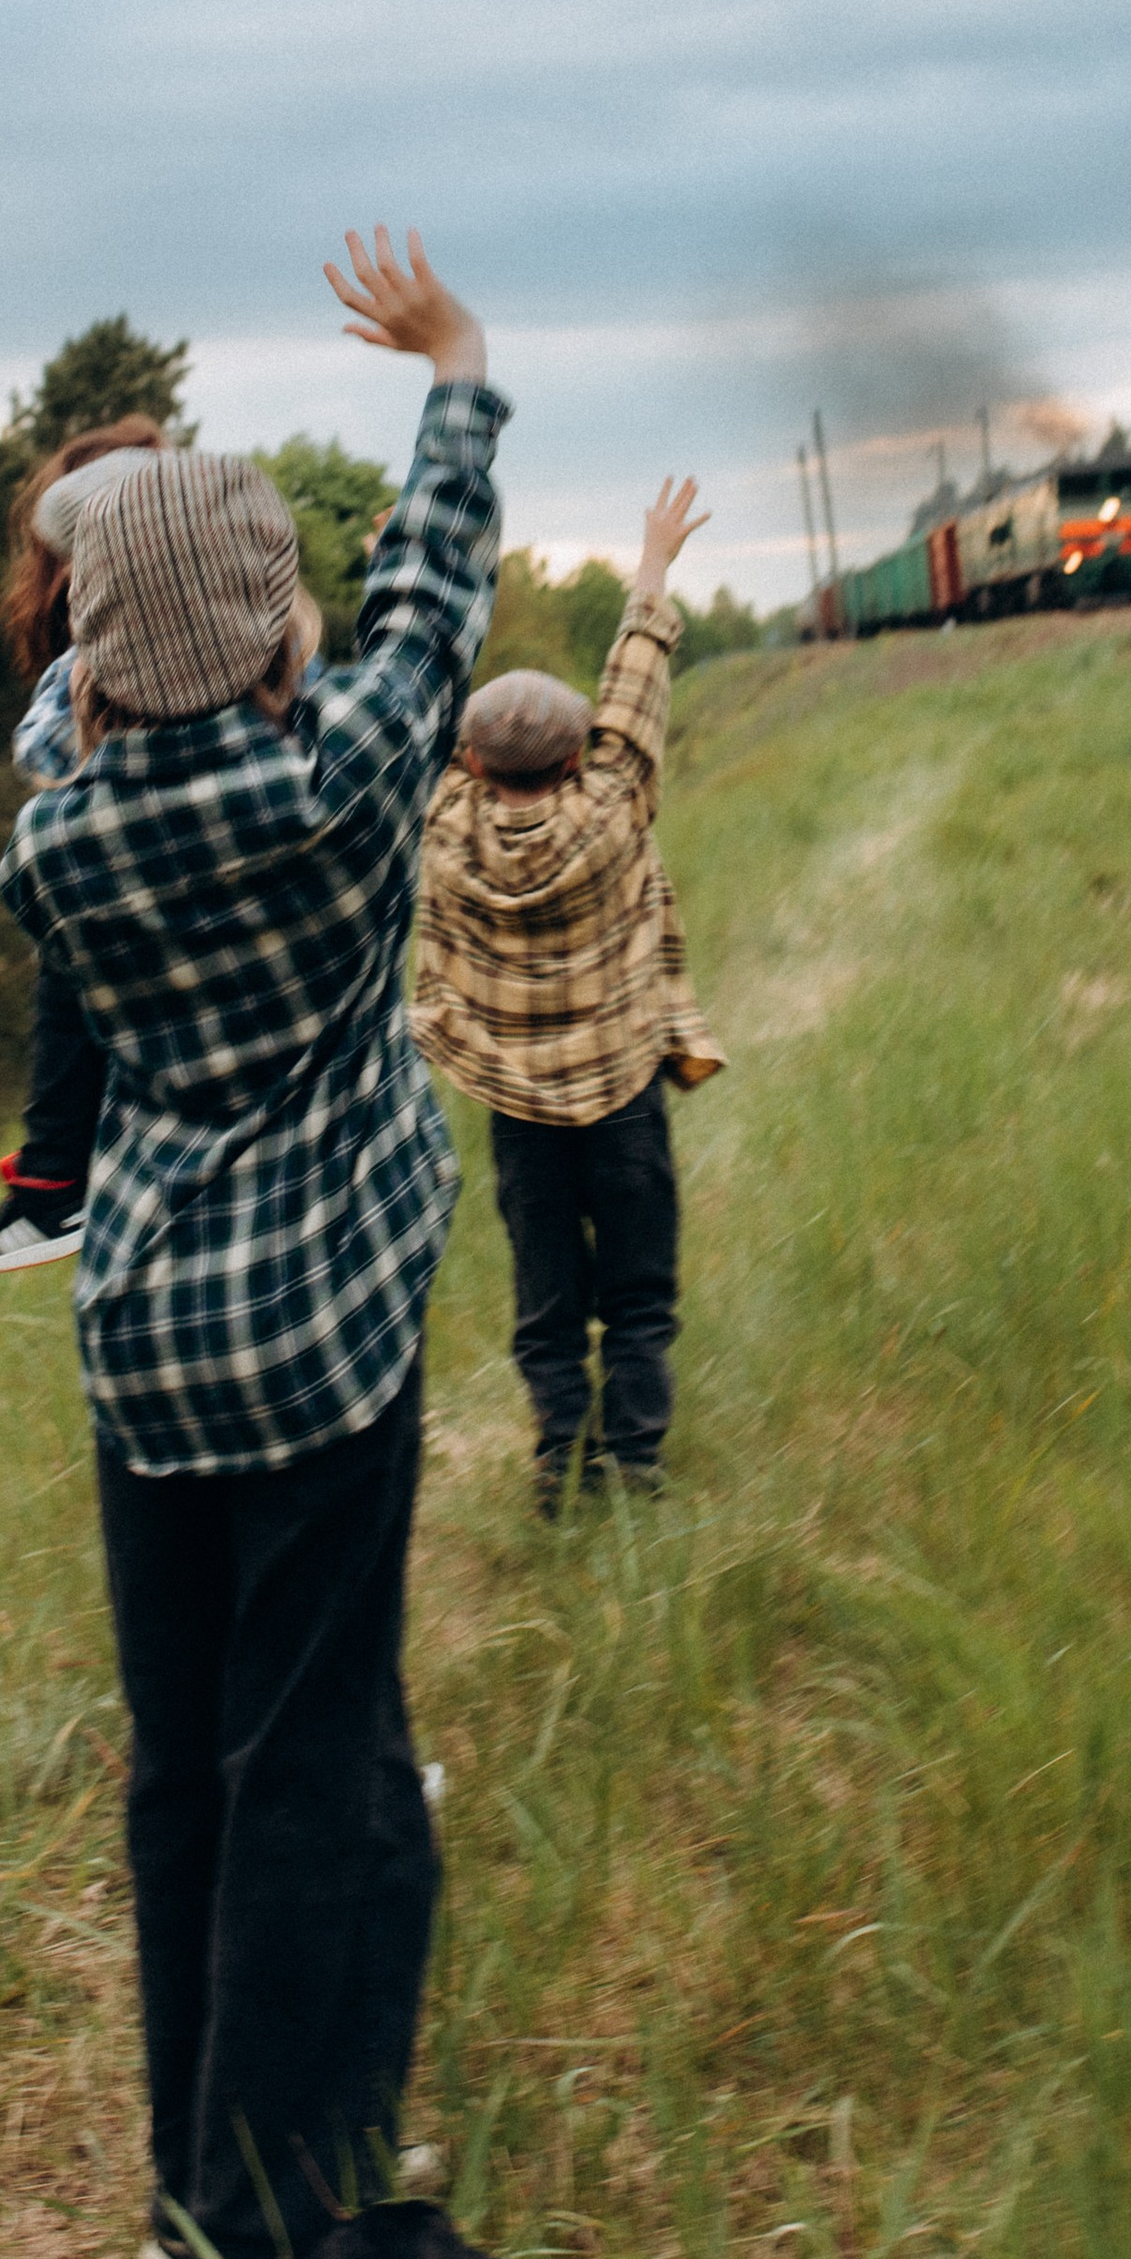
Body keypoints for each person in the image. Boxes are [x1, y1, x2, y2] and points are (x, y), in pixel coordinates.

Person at [0, 229, 515, 2259]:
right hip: (322, 1357)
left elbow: (75, 699)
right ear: (287, 642)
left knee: (181, 1769)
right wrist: (451, 366)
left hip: (144, 1358)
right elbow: (432, 590)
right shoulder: (351, 772)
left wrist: (97, 537)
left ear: (96, 666)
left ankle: (176, 2180)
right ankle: (253, 2213)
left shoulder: (58, 831)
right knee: (308, 1761)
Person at [410, 476, 724, 1507]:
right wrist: (652, 563)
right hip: (623, 1099)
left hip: (519, 1119)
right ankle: (635, 1463)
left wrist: (407, 571)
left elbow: (410, 706)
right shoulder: (616, 805)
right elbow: (636, 681)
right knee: (637, 1292)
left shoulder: (443, 829)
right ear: (582, 753)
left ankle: (559, 1461)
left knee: (546, 1297)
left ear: (467, 760)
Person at [0, 415, 173, 1275]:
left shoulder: (234, 619)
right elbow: (43, 753)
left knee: (70, 933)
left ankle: (51, 1180)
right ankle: (54, 1178)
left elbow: (41, 757)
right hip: (145, 875)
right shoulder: (86, 652)